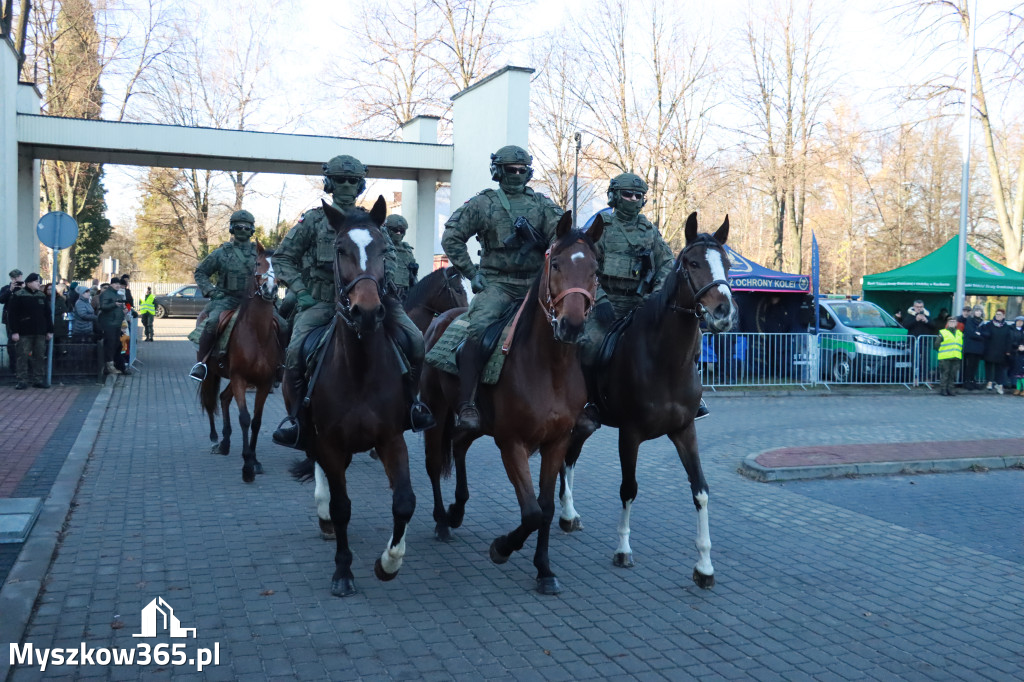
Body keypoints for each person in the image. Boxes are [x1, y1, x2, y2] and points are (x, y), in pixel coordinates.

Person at [272, 155, 434, 446]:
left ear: (360, 185)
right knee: (295, 352)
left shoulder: (371, 221)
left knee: (417, 342)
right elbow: (284, 257)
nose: (346, 185)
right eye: (339, 180)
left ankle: (411, 405)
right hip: (321, 301)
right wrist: (301, 290)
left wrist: (380, 286)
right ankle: (296, 419)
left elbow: (391, 257)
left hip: (373, 298)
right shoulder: (314, 221)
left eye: (352, 180)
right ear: (329, 183)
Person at [440, 144, 564, 431]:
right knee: (478, 329)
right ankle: (468, 404)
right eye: (510, 170)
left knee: (572, 328)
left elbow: (563, 235)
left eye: (522, 170)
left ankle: (579, 401)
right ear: (498, 171)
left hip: (535, 285)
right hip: (497, 284)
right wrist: (471, 273)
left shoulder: (542, 204)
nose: (517, 175)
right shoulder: (484, 203)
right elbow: (452, 237)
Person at [577, 172, 709, 427]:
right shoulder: (601, 227)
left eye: (639, 196)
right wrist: (600, 298)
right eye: (628, 194)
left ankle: (692, 397)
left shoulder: (648, 230)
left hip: (641, 305)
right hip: (605, 304)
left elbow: (667, 264)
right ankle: (588, 402)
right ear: (614, 196)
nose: (634, 199)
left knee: (693, 338)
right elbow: (586, 269)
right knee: (590, 343)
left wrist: (655, 295)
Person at [7, 273, 54, 389]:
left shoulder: (41, 296)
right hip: (24, 333)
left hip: (40, 332)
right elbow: (12, 315)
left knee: (39, 356)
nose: (39, 284)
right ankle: (22, 380)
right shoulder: (19, 295)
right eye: (36, 281)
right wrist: (14, 331)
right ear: (29, 283)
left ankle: (38, 379)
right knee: (22, 356)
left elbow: (48, 314)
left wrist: (50, 330)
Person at [382, 215, 419, 302]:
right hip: (386, 291)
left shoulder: (407, 249)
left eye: (401, 231)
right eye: (395, 231)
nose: (399, 234)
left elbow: (413, 277)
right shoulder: (381, 247)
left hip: (405, 292)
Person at [98, 276, 129, 375]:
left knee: (117, 345)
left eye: (119, 284)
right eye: (115, 284)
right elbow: (103, 307)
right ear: (111, 284)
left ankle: (118, 365)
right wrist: (114, 305)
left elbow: (118, 308)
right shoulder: (106, 294)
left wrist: (123, 311)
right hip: (109, 324)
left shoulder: (117, 295)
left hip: (116, 324)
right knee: (110, 345)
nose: (117, 285)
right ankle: (109, 365)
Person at [981, 309, 1012, 393]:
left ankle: (999, 384)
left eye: (1000, 314)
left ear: (1003, 316)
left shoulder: (1006, 327)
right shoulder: (989, 325)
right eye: (997, 314)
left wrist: (1008, 350)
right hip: (990, 349)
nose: (998, 316)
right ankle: (989, 382)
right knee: (989, 366)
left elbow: (1009, 340)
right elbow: (985, 335)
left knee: (1000, 369)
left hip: (1001, 350)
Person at [1, 268, 24, 373]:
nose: (17, 279)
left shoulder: (24, 288)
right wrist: (10, 289)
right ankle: (13, 367)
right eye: (15, 277)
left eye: (19, 277)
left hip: (23, 319)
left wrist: (24, 289)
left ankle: (24, 367)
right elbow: (1, 299)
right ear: (11, 278)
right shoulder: (6, 288)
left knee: (24, 343)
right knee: (12, 343)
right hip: (10, 320)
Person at [933, 316, 963, 396]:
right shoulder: (943, 332)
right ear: (948, 323)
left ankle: (950, 389)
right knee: (945, 374)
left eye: (954, 322)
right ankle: (943, 389)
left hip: (956, 356)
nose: (952, 323)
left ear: (956, 323)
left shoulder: (959, 333)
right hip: (945, 357)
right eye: (951, 322)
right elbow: (936, 345)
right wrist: (942, 351)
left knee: (952, 374)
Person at [961, 304, 986, 390]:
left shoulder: (982, 322)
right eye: (977, 311)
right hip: (971, 347)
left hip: (978, 348)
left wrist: (979, 334)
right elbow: (971, 333)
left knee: (975, 365)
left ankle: (972, 380)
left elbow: (985, 333)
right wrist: (980, 335)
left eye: (980, 311)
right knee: (970, 365)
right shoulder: (970, 320)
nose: (978, 312)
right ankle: (967, 381)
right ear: (974, 312)